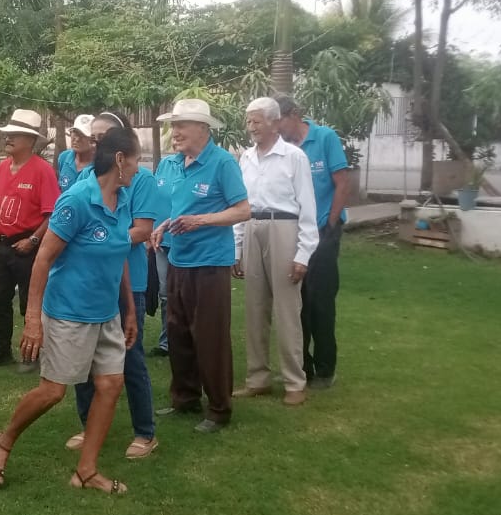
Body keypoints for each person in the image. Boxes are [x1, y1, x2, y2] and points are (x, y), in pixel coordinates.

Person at [0, 126, 140, 494]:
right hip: (69, 312)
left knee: (110, 385)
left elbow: (119, 253)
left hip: (106, 315)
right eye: (135, 160)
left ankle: (86, 471)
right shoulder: (77, 200)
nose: (138, 167)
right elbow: (43, 259)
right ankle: (3, 441)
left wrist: (129, 309)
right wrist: (32, 320)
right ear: (119, 160)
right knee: (52, 392)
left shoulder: (123, 198)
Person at [66, 113, 166, 459]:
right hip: (89, 281)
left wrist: (100, 238)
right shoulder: (86, 177)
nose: (98, 143)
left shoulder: (141, 179)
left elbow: (142, 230)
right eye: (94, 137)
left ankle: (145, 432)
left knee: (130, 358)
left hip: (127, 280)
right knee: (85, 358)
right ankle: (89, 425)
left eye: (104, 136)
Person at [149, 99, 250, 434]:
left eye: (182, 125)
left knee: (210, 336)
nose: (175, 132)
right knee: (178, 332)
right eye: (173, 126)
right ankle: (185, 398)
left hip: (209, 263)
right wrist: (165, 225)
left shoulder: (222, 162)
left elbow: (243, 210)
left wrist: (201, 221)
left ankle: (219, 408)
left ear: (203, 129)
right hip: (178, 258)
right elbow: (180, 208)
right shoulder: (176, 163)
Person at [230, 98, 319, 406]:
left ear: (275, 122)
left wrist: (303, 254)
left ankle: (295, 382)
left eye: (256, 121)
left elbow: (308, 207)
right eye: (248, 121)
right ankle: (258, 379)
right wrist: (237, 247)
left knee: (287, 311)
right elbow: (241, 205)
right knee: (255, 310)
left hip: (284, 229)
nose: (251, 127)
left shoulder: (294, 157)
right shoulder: (246, 158)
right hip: (252, 227)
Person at [275, 95, 349, 390]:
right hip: (294, 233)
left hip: (323, 231)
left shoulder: (324, 138)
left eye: (279, 120)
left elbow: (342, 183)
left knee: (321, 300)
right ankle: (301, 367)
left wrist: (330, 225)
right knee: (297, 302)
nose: (277, 128)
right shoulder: (283, 149)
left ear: (294, 114)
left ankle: (325, 369)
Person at [0, 109, 59, 373]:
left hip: (27, 247)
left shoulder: (42, 171)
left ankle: (32, 354)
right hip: (2, 246)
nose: (8, 138)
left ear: (31, 140)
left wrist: (33, 240)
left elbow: (52, 214)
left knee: (29, 302)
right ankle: (1, 351)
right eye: (8, 133)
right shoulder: (3, 167)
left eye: (15, 134)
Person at [56, 114, 96, 192]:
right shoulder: (64, 157)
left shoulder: (99, 164)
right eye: (75, 132)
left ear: (93, 139)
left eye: (83, 135)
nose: (77, 139)